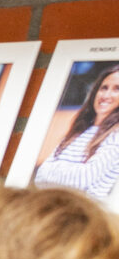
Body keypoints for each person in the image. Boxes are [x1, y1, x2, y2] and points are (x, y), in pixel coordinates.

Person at [34, 63, 119, 202]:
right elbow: (40, 174)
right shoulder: (80, 131)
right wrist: (71, 170)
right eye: (104, 88)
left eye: (117, 89)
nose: (106, 95)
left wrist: (56, 168)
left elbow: (83, 178)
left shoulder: (116, 136)